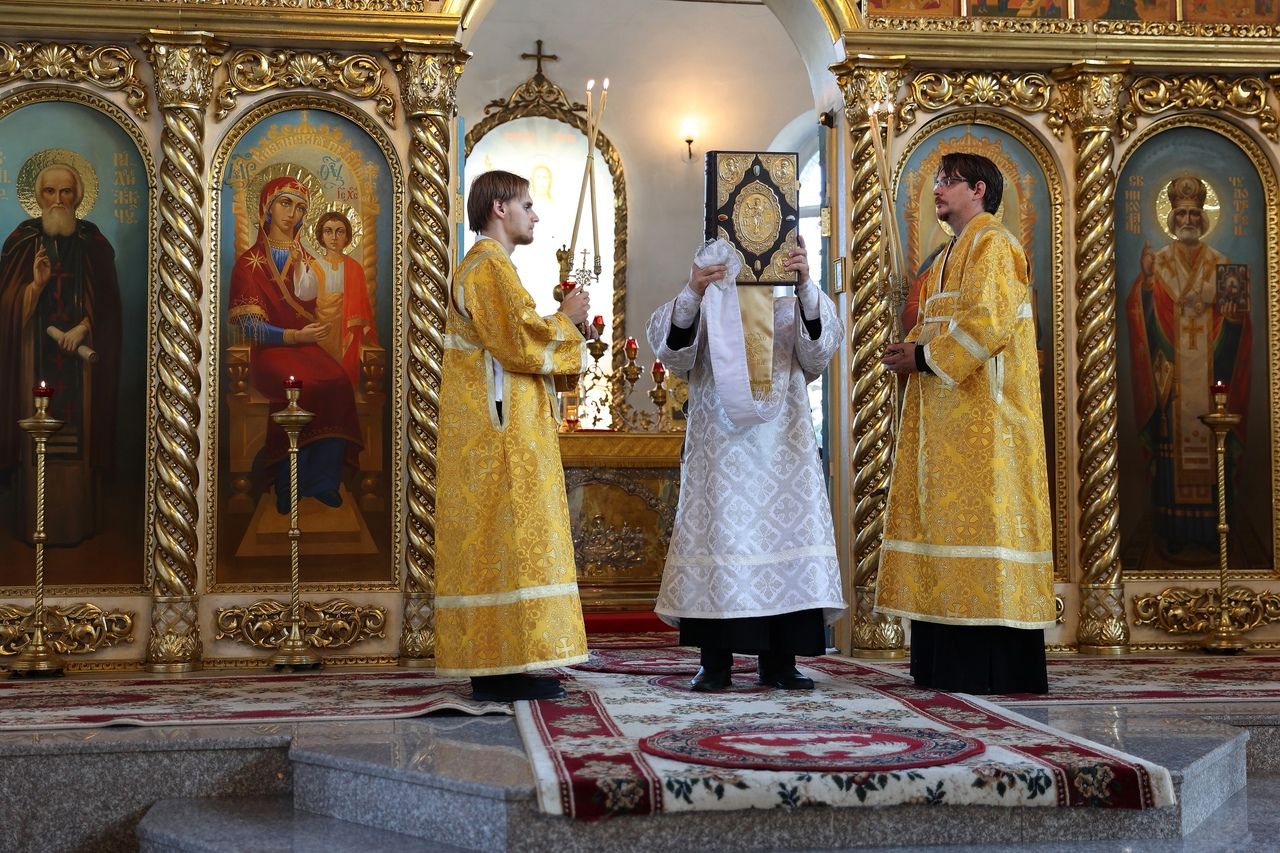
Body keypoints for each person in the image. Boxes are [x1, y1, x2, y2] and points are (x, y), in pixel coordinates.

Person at [877, 152, 1054, 695]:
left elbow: (988, 321)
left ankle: (990, 667)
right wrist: (911, 347)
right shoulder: (948, 254)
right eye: (936, 181)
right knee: (940, 526)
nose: (938, 189)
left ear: (978, 190)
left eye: (948, 181)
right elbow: (938, 324)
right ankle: (942, 662)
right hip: (945, 418)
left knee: (986, 526)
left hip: (989, 422)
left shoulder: (993, 244)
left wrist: (922, 357)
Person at [648, 235, 846, 693]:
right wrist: (694, 290)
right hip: (720, 451)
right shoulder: (709, 300)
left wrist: (805, 286)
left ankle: (781, 661)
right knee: (722, 540)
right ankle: (714, 661)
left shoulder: (790, 302)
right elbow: (673, 353)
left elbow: (819, 353)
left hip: (784, 451)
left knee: (784, 534)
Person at [435, 170, 591, 703]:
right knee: (505, 539)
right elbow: (519, 341)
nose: (535, 215)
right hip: (498, 434)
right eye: (527, 205)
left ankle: (510, 660)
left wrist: (565, 327)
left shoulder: (493, 267)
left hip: (506, 429)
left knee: (511, 542)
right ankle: (497, 666)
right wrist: (566, 320)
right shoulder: (486, 267)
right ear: (499, 208)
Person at [1125, 175, 1251, 559]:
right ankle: (1174, 531)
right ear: (1171, 218)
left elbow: (1239, 327)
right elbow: (1141, 317)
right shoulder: (1159, 263)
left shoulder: (1221, 264)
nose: (1188, 220)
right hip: (1173, 381)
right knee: (1171, 455)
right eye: (1181, 213)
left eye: (1194, 213)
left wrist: (1232, 320)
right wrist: (1148, 284)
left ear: (1204, 218)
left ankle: (1212, 532)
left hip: (1211, 378)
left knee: (1212, 447)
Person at [0, 162, 122, 545]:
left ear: (77, 196)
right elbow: (6, 307)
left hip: (81, 367)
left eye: (65, 191)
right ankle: (33, 523)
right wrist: (34, 288)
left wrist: (84, 327)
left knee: (78, 440)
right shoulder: (21, 240)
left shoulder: (93, 242)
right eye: (50, 192)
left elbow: (109, 307)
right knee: (35, 443)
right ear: (38, 196)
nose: (58, 200)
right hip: (32, 358)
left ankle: (76, 524)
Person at [228, 174, 362, 514]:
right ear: (267, 207)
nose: (292, 213)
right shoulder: (249, 263)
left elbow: (322, 302)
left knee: (338, 382)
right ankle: (289, 483)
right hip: (271, 352)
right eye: (285, 203)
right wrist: (293, 336)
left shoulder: (307, 258)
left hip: (306, 347)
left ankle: (324, 482)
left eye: (300, 208)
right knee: (304, 386)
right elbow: (249, 326)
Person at [313, 210, 378, 388]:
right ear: (321, 236)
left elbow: (361, 305)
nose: (334, 237)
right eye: (328, 231)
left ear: (347, 237)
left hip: (346, 327)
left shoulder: (355, 268)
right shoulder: (315, 265)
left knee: (343, 376)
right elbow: (305, 296)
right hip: (320, 326)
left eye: (339, 231)